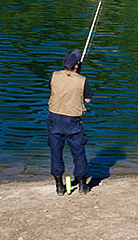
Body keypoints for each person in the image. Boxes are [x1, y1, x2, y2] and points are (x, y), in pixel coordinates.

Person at [47, 48, 92, 195]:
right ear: (77, 66)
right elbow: (87, 99)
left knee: (56, 153)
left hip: (54, 120)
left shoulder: (54, 76)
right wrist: (78, 77)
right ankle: (82, 186)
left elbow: (53, 89)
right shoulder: (82, 80)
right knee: (79, 153)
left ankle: (59, 186)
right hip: (72, 121)